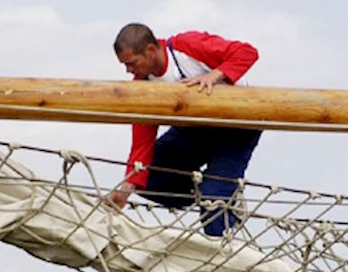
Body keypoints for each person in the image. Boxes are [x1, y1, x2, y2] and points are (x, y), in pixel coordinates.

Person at [104, 22, 263, 235]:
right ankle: (213, 191)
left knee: (212, 204)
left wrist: (214, 76)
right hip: (193, 132)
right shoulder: (143, 85)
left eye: (132, 63)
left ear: (151, 50)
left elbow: (246, 52)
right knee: (147, 176)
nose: (128, 70)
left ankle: (219, 206)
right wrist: (124, 193)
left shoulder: (187, 47)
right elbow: (142, 144)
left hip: (235, 130)